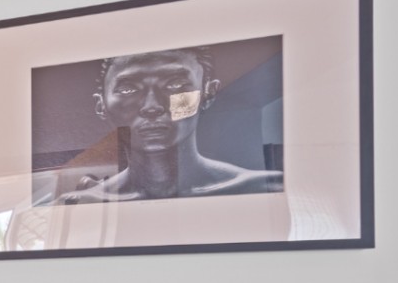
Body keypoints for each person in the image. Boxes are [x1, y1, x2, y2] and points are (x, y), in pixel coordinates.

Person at [61, 47, 282, 203]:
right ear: (101, 105)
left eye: (176, 84)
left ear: (207, 94)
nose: (152, 106)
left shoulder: (268, 189)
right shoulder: (81, 205)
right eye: (128, 89)